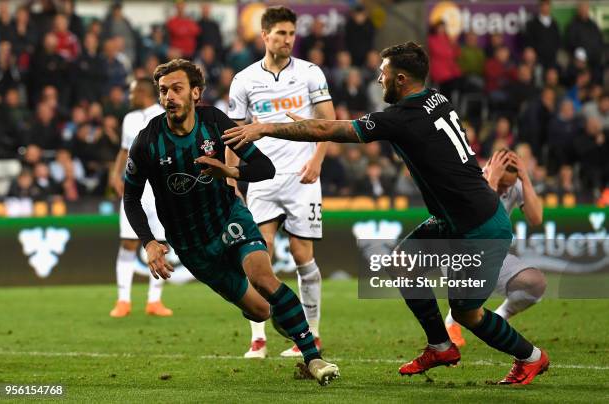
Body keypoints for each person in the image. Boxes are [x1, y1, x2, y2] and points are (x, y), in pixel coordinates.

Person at [224, 42, 549, 385]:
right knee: (401, 264)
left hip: (479, 226)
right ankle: (440, 346)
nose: (379, 79)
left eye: (385, 73)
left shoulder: (402, 118)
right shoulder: (436, 98)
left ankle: (531, 357)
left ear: (402, 79)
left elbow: (327, 130)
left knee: (467, 313)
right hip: (454, 218)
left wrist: (265, 128)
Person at [123, 58, 339, 385]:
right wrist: (150, 242)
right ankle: (285, 320)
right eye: (164, 90)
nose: (169, 96)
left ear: (196, 92)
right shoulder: (147, 142)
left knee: (264, 277)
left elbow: (263, 168)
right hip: (192, 245)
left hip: (229, 220)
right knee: (261, 311)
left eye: (177, 89)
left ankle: (313, 358)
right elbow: (130, 197)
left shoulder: (216, 123)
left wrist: (231, 171)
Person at [227, 6, 335, 359]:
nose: (288, 40)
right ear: (265, 36)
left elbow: (328, 121)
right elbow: (234, 134)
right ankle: (258, 338)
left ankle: (313, 333)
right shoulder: (244, 80)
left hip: (302, 176)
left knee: (303, 255)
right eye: (281, 34)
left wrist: (317, 159)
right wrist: (232, 180)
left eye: (291, 33)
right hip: (262, 178)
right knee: (259, 256)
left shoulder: (310, 73)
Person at [445, 149, 546, 347]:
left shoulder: (513, 185)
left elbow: (535, 219)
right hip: (457, 253)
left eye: (508, 186)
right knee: (475, 274)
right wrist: (492, 180)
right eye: (501, 184)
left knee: (536, 284)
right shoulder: (469, 179)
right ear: (490, 168)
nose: (503, 190)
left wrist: (525, 179)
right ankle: (452, 321)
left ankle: (501, 316)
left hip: (491, 253)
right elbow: (479, 216)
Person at [109, 78, 170, 318]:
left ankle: (154, 301)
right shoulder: (129, 119)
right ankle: (123, 300)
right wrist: (115, 174)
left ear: (142, 92)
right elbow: (124, 151)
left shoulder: (163, 114)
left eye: (132, 91)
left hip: (159, 189)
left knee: (161, 243)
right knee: (128, 242)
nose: (129, 96)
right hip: (134, 188)